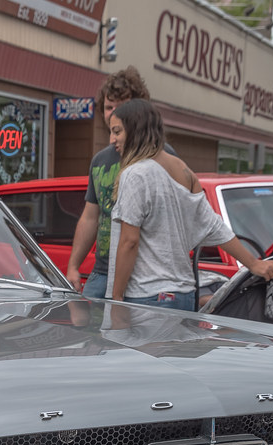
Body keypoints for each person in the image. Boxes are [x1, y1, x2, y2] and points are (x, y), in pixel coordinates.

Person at [106, 98, 273, 312]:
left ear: (135, 130)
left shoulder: (135, 174)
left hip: (146, 297)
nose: (112, 139)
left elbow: (129, 241)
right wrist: (254, 264)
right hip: (184, 295)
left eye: (117, 131)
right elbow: (214, 226)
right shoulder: (184, 170)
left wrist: (116, 298)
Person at [66, 66, 177, 298]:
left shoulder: (163, 156)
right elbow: (90, 217)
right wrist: (74, 266)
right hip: (102, 273)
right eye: (108, 107)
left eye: (121, 106)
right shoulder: (100, 160)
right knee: (90, 334)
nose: (113, 113)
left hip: (147, 277)